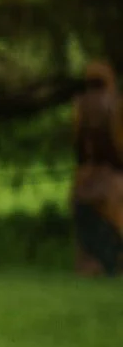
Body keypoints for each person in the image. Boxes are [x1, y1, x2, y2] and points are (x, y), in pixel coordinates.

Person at [72, 63, 123, 276]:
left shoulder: (79, 106)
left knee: (87, 242)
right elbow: (118, 144)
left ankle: (93, 266)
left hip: (84, 179)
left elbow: (76, 143)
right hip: (112, 179)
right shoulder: (116, 105)